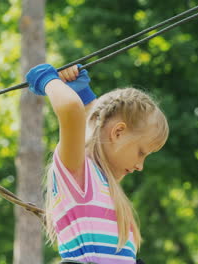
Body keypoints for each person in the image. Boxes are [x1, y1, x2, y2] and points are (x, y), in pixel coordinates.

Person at [25, 63, 169, 264]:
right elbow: (71, 110)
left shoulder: (104, 186)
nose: (140, 166)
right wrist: (47, 80)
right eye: (141, 152)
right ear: (118, 133)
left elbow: (99, 128)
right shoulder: (79, 174)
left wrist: (83, 94)